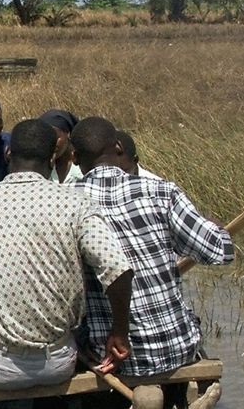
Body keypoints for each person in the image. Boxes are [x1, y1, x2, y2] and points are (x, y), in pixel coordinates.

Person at [0, 119, 133, 390]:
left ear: (9, 153)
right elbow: (118, 269)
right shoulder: (77, 202)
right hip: (59, 363)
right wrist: (119, 332)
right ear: (52, 158)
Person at [71, 117, 234, 381]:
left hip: (110, 357)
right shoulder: (161, 192)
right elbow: (220, 251)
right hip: (174, 349)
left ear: (75, 158)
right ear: (119, 147)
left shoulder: (67, 201)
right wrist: (216, 229)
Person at [39, 109, 83, 183]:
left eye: (55, 136)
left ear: (68, 134)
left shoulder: (82, 168)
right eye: (44, 137)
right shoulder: (40, 168)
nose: (50, 142)